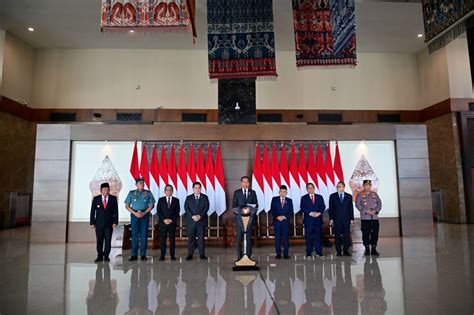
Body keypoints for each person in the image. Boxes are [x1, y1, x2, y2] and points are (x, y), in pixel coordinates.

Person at [125, 178, 155, 261]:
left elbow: (152, 205)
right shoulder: (131, 193)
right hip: (134, 215)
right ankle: (134, 255)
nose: (141, 184)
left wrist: (144, 213)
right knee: (134, 235)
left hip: (144, 215)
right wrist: (135, 213)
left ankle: (143, 255)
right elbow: (127, 206)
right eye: (140, 183)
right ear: (136, 185)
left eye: (143, 183)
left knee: (143, 235)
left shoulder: (148, 193)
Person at [90, 182, 118, 263]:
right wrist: (92, 222)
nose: (106, 191)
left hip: (109, 224)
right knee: (99, 240)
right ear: (101, 190)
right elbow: (92, 211)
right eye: (104, 189)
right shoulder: (96, 199)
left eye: (107, 189)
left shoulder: (113, 198)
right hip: (99, 224)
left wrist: (115, 222)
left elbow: (116, 211)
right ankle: (99, 256)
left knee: (108, 240)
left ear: (109, 190)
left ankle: (106, 256)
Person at [232, 176, 259, 260]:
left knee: (248, 238)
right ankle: (239, 257)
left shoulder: (253, 192)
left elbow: (256, 205)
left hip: (249, 219)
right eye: (244, 182)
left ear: (249, 183)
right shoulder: (237, 192)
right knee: (239, 238)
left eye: (247, 182)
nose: (245, 183)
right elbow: (234, 206)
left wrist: (249, 210)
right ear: (241, 183)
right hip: (240, 219)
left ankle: (248, 256)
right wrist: (243, 210)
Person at [355, 179, 382, 256]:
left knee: (375, 233)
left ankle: (374, 249)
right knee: (366, 233)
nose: (368, 187)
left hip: (374, 218)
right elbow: (358, 205)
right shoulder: (360, 195)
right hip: (365, 218)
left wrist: (375, 211)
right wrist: (366, 211)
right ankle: (367, 249)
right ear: (363, 186)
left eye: (369, 185)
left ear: (371, 186)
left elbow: (379, 203)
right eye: (366, 185)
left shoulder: (374, 194)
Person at [184, 182, 209, 261]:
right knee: (191, 238)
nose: (197, 189)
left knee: (201, 238)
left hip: (201, 221)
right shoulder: (189, 198)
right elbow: (186, 208)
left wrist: (199, 216)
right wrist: (193, 216)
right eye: (196, 188)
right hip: (191, 221)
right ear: (193, 189)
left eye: (199, 188)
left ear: (200, 189)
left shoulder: (205, 197)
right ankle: (190, 254)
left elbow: (206, 208)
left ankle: (202, 254)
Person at [329, 181, 354, 256]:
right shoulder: (333, 196)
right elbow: (331, 208)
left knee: (346, 235)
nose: (338, 188)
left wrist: (352, 218)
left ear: (343, 187)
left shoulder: (349, 196)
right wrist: (331, 218)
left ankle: (346, 250)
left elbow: (350, 208)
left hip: (346, 219)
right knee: (337, 235)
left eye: (340, 186)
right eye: (337, 186)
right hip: (337, 219)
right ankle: (338, 251)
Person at [300, 183, 326, 257]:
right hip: (308, 220)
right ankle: (309, 252)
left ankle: (319, 252)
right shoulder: (304, 198)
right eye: (309, 188)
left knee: (318, 236)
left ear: (314, 188)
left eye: (312, 187)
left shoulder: (319, 197)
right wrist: (311, 213)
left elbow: (323, 206)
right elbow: (302, 208)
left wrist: (319, 213)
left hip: (318, 219)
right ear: (307, 189)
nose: (310, 189)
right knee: (308, 236)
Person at [156, 184, 180, 261]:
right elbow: (159, 211)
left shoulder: (176, 200)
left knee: (172, 240)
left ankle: (172, 255)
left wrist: (171, 220)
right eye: (167, 190)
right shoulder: (161, 200)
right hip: (163, 223)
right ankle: (162, 255)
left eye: (170, 190)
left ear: (172, 191)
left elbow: (177, 212)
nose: (169, 191)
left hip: (172, 223)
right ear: (165, 191)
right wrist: (164, 220)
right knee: (163, 239)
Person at [270, 185, 293, 259]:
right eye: (281, 191)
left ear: (286, 193)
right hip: (277, 222)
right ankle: (278, 254)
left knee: (286, 238)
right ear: (279, 192)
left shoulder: (289, 200)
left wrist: (284, 217)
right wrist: (277, 216)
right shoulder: (274, 199)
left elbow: (290, 211)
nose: (282, 193)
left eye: (284, 192)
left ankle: (286, 253)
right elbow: (272, 209)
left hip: (285, 222)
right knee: (278, 238)